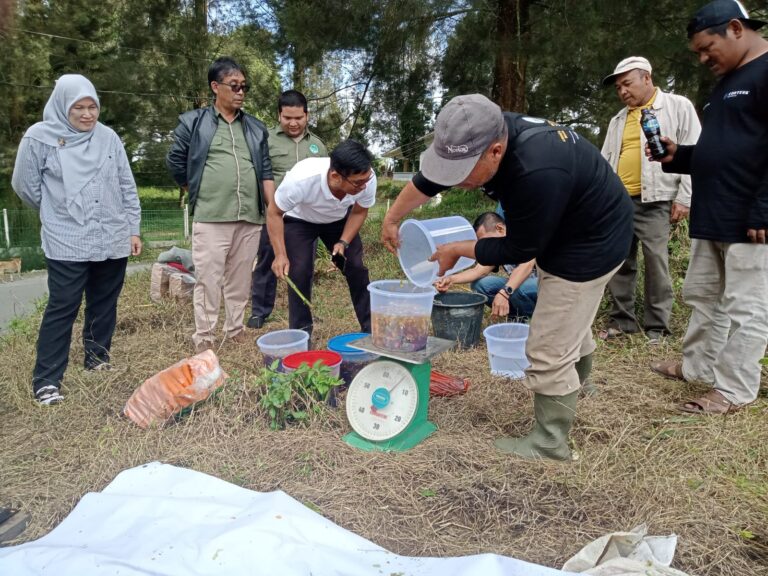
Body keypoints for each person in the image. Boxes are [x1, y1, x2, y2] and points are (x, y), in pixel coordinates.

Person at [382, 94, 633, 461]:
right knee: (567, 323)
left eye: (462, 173)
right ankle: (583, 384)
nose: (453, 182)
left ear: (496, 151)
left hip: (590, 244)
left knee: (548, 345)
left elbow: (516, 249)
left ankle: (550, 443)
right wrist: (391, 219)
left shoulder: (538, 171)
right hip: (568, 228)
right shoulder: (488, 128)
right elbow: (430, 179)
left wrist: (457, 248)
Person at [649, 0, 768, 414]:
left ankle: (733, 390)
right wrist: (677, 155)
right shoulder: (726, 82)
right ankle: (698, 367)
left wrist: (764, 209)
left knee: (745, 308)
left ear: (735, 28)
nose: (702, 59)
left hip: (750, 220)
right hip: (713, 213)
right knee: (705, 299)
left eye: (706, 47)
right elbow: (723, 150)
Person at [12, 74, 142, 405]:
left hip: (111, 234)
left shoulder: (108, 138)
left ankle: (97, 360)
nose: (87, 115)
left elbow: (126, 185)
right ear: (62, 107)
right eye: (78, 108)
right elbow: (25, 185)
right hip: (67, 239)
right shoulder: (39, 138)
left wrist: (132, 228)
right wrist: (56, 210)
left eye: (92, 107)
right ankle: (47, 381)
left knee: (104, 302)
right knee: (63, 305)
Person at [167, 57, 275, 353]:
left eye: (244, 87)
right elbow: (175, 161)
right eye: (234, 86)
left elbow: (264, 168)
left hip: (249, 217)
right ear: (216, 87)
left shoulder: (254, 127)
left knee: (240, 280)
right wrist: (194, 188)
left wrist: (271, 209)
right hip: (212, 215)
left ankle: (236, 329)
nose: (240, 92)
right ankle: (204, 337)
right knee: (208, 280)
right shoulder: (194, 122)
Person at [600, 56, 701, 343]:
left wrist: (685, 197)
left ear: (647, 78)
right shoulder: (618, 119)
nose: (622, 92)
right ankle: (623, 322)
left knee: (656, 261)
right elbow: (607, 160)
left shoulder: (677, 106)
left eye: (627, 84)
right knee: (621, 262)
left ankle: (657, 327)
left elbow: (695, 151)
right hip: (619, 201)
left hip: (656, 199)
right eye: (618, 87)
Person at [267, 139, 376, 337]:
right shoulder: (301, 180)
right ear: (335, 176)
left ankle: (371, 330)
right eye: (358, 183)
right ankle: (301, 334)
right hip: (300, 220)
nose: (364, 186)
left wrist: (343, 242)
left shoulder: (366, 179)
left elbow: (359, 212)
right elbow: (274, 213)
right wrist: (280, 254)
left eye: (366, 180)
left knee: (356, 267)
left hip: (338, 220)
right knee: (299, 271)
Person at [247, 90, 328, 329]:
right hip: (275, 213)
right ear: (279, 115)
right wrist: (272, 207)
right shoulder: (267, 140)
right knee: (267, 261)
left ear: (307, 116)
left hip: (306, 219)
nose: (293, 123)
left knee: (303, 267)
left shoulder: (317, 145)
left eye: (298, 118)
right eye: (287, 118)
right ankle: (260, 311)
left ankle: (303, 315)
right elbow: (262, 175)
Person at [434, 211, 538, 320]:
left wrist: (505, 293)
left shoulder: (524, 234)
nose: (485, 247)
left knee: (515, 286)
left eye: (487, 241)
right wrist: (450, 279)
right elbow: (478, 271)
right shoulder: (499, 247)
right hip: (521, 289)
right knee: (480, 285)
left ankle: (531, 319)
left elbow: (526, 266)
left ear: (500, 228)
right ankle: (517, 316)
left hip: (546, 285)